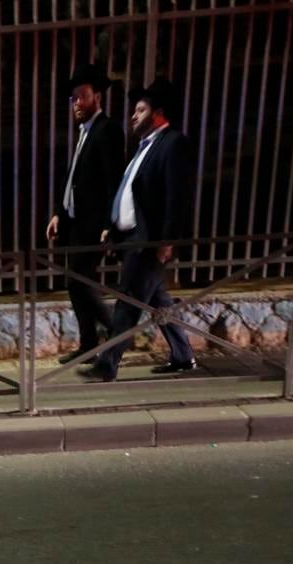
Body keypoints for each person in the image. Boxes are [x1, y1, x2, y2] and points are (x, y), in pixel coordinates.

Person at [80, 79, 197, 382]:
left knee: (128, 301)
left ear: (158, 113)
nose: (133, 116)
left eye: (140, 110)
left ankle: (108, 364)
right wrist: (113, 226)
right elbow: (130, 194)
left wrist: (167, 242)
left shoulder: (173, 143)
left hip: (149, 242)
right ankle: (183, 356)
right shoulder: (144, 148)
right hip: (131, 239)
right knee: (158, 300)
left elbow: (177, 197)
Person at [45, 63, 125, 365]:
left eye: (83, 96)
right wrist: (58, 213)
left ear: (97, 98)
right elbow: (73, 177)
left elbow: (112, 181)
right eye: (73, 98)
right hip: (74, 223)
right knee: (76, 283)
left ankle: (115, 332)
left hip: (94, 225)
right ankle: (89, 343)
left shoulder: (108, 131)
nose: (77, 103)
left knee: (80, 282)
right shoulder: (83, 133)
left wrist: (109, 224)